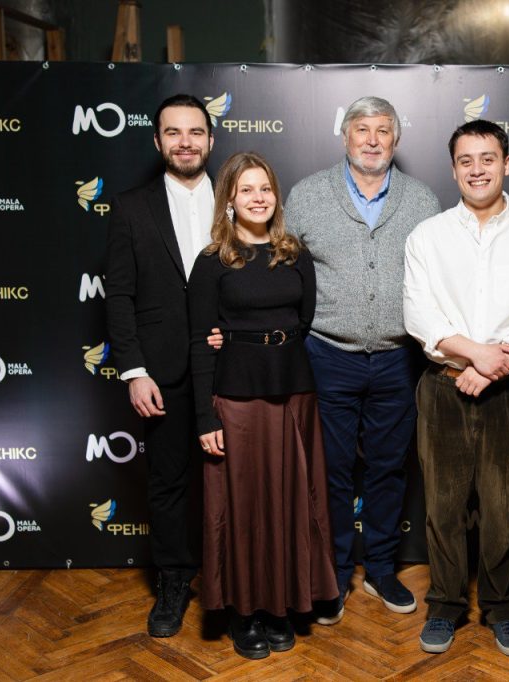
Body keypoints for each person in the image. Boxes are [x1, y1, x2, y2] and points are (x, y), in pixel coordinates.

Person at [404, 119, 509, 657]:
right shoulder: (427, 236)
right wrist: (478, 354)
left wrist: (494, 365)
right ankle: (446, 605)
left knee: (502, 507)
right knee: (443, 506)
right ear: (454, 170)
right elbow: (420, 315)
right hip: (442, 388)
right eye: (466, 161)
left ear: (507, 164)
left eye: (487, 158)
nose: (477, 170)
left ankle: (502, 608)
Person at [284, 96, 440, 622]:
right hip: (327, 355)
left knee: (389, 468)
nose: (372, 140)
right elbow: (279, 270)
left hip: (399, 359)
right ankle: (332, 573)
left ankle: (380, 569)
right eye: (362, 129)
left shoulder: (422, 200)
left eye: (383, 131)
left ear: (396, 139)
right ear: (345, 135)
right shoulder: (307, 195)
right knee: (329, 470)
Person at [188, 152, 337, 658]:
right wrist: (205, 417)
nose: (259, 198)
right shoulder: (213, 261)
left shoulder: (294, 254)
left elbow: (305, 319)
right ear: (230, 198)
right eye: (247, 189)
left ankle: (279, 606)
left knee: (290, 503)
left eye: (266, 188)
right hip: (236, 398)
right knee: (243, 508)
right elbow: (199, 340)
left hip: (293, 393)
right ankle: (244, 611)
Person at [105, 93, 213, 638]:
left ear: (210, 139)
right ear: (157, 141)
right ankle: (173, 581)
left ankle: (237, 582)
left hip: (231, 369)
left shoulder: (240, 197)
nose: (185, 142)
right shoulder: (131, 207)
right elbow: (119, 296)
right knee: (169, 484)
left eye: (195, 132)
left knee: (235, 482)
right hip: (162, 373)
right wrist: (134, 370)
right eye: (174, 132)